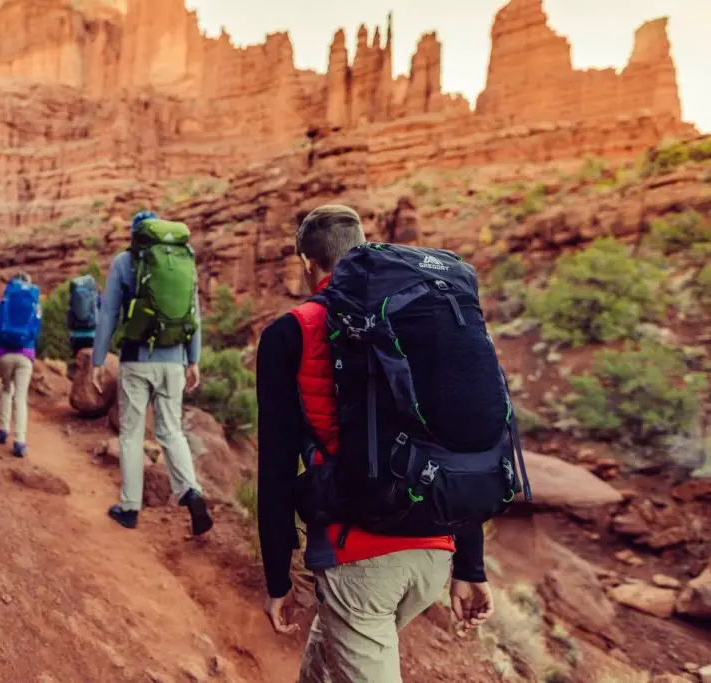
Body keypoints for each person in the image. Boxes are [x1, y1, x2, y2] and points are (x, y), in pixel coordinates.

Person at [256, 205, 498, 683]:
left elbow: (277, 463)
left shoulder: (292, 330)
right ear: (361, 247)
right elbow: (451, 435)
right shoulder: (415, 314)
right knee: (326, 663)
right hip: (435, 550)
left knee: (351, 629)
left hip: (360, 557)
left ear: (308, 263)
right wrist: (470, 563)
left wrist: (277, 576)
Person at [89, 210, 213, 536]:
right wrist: (193, 359)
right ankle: (191, 491)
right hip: (174, 360)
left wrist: (98, 360)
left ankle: (129, 508)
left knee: (131, 434)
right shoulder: (182, 259)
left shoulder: (124, 262)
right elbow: (193, 313)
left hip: (136, 360)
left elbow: (108, 315)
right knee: (171, 431)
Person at [0, 273, 41, 458]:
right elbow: (36, 330)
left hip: (4, 354)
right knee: (20, 397)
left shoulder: (5, 300)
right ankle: (19, 442)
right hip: (25, 356)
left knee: (6, 389)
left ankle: (3, 431)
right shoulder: (34, 303)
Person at [68, 274, 99, 356]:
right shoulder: (93, 295)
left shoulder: (74, 294)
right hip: (91, 335)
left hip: (75, 336)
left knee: (79, 362)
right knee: (91, 363)